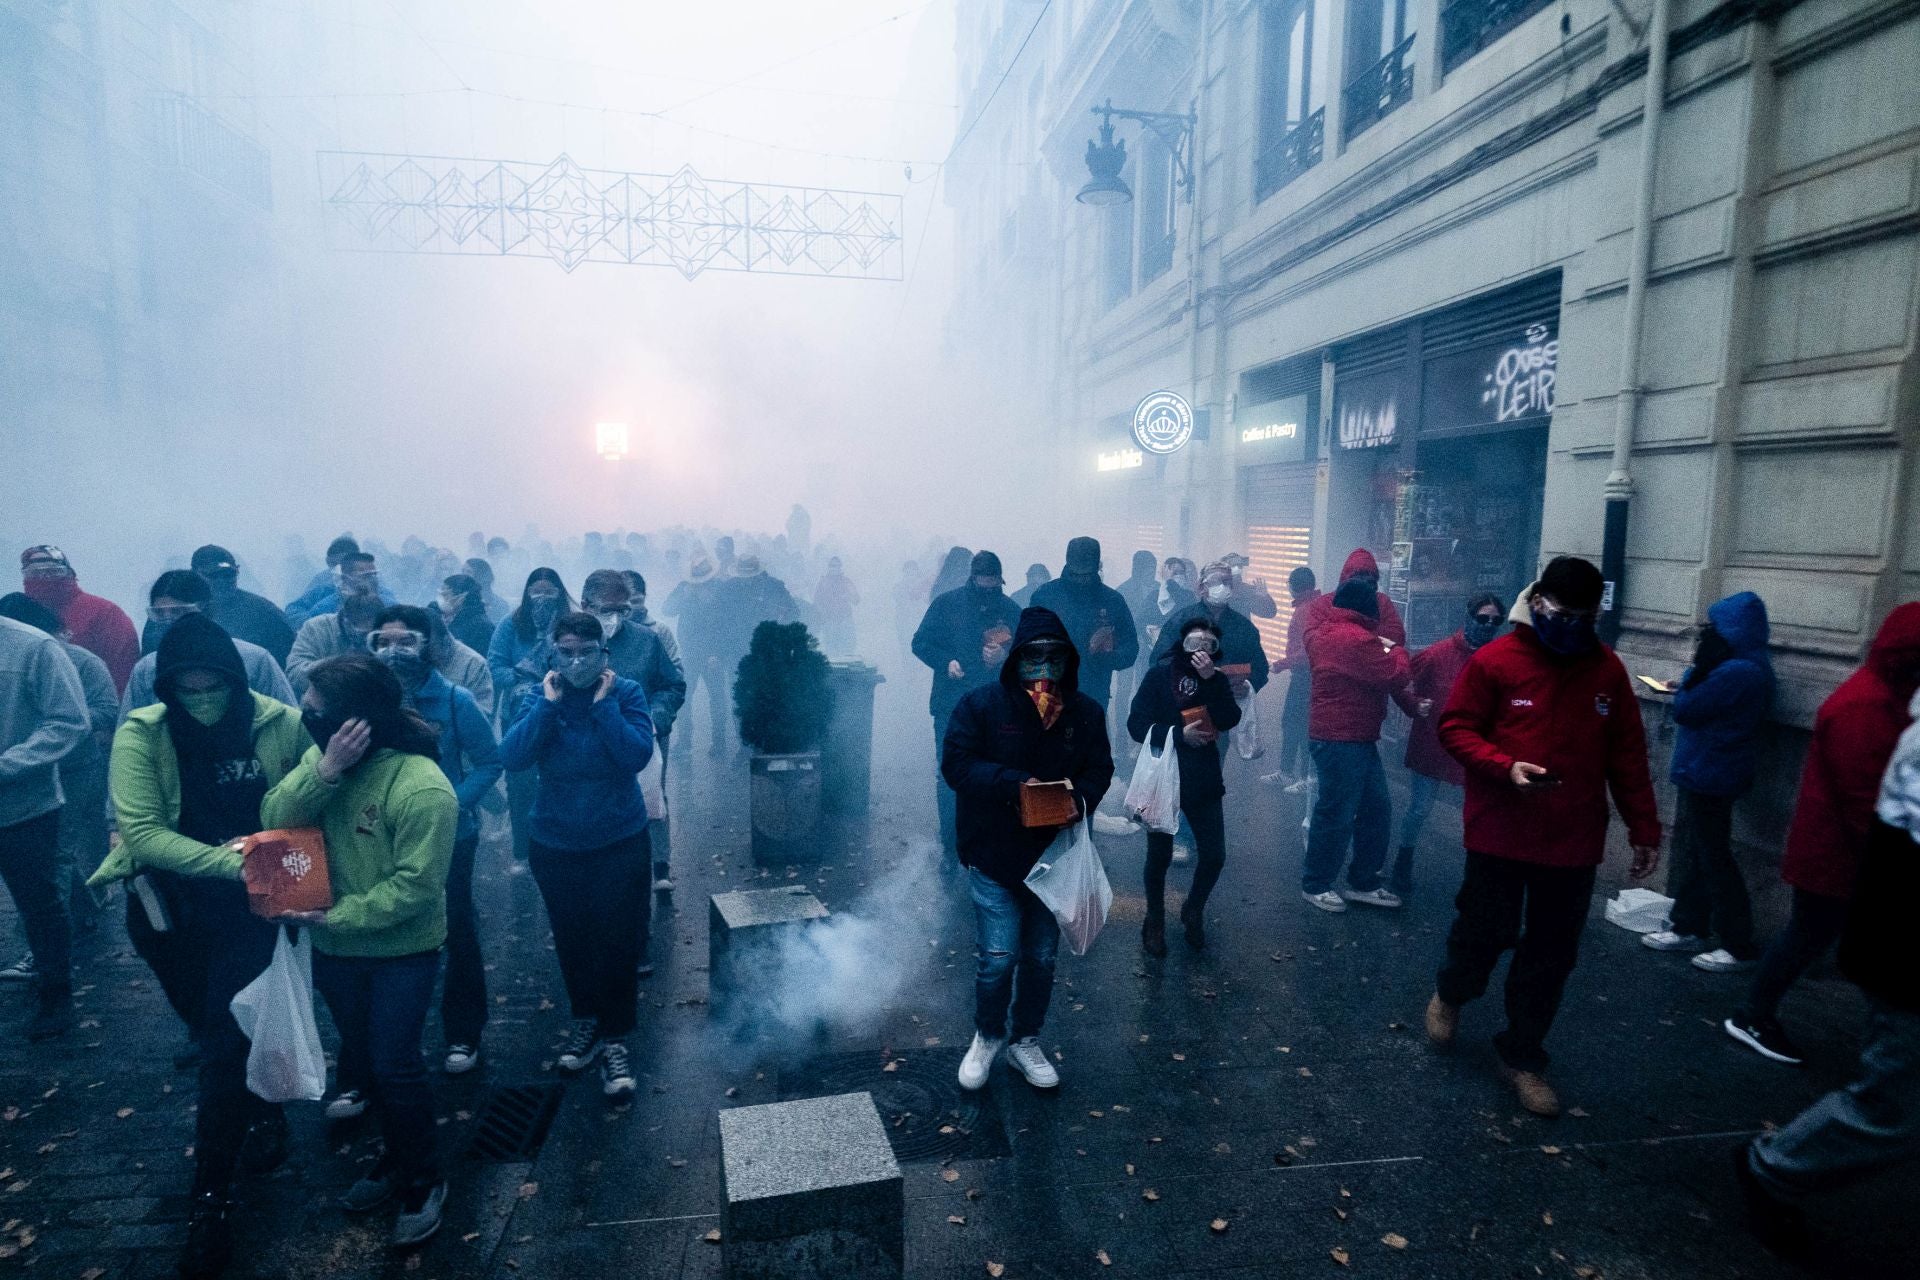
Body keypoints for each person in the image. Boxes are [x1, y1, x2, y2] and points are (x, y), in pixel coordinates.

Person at [92, 613, 308, 1276]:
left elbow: (304, 805)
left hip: (258, 905)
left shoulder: (277, 722)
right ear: (166, 685)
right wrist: (233, 862)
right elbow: (144, 831)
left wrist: (272, 877)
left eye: (212, 680)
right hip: (170, 911)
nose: (201, 693)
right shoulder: (143, 732)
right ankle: (263, 1107)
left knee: (222, 1042)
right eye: (186, 683)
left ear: (235, 678)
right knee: (209, 1026)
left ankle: (209, 1201)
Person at [1425, 557, 1662, 1118]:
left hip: (1572, 838)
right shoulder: (1496, 661)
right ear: (1536, 605)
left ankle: (1523, 1055)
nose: (1571, 626)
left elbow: (1627, 755)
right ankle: (1452, 993)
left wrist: (1644, 828)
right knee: (1484, 929)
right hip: (1500, 829)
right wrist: (1504, 766)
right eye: (1560, 614)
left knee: (1552, 953)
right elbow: (1455, 728)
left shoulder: (1607, 672)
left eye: (1584, 617)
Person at [264, 654, 457, 1247]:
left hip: (403, 949)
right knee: (370, 1060)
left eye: (318, 708)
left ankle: (424, 1177)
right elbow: (274, 821)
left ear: (355, 719)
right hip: (336, 947)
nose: (307, 715)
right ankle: (396, 1158)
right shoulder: (321, 760)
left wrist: (338, 916)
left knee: (396, 1060)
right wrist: (324, 771)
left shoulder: (422, 786)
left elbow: (417, 887)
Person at [1735, 688, 1920, 1259]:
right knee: (1895, 1102)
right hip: (1893, 932)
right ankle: (1775, 1165)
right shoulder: (1866, 706)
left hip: (1864, 895)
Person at [1725, 603, 1920, 1066]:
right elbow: (1861, 797)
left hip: (1840, 850)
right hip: (1836, 853)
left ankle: (1756, 1011)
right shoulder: (1866, 705)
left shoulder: (1882, 694)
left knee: (1813, 936)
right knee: (1809, 935)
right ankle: (1753, 1013)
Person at [943, 607, 1114, 1092]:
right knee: (998, 956)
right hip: (994, 854)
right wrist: (1015, 783)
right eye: (1033, 657)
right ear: (1016, 658)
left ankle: (1025, 1040)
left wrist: (1077, 801)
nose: (1043, 668)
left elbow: (1099, 770)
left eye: (1053, 658)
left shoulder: (1084, 713)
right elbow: (957, 766)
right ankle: (988, 1034)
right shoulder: (980, 706)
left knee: (1040, 956)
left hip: (1053, 856)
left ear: (1066, 661)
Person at [499, 613, 656, 1099]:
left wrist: (605, 707)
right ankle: (586, 1020)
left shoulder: (626, 692)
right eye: (565, 651)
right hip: (556, 840)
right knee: (573, 937)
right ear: (553, 653)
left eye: (585, 652)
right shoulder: (540, 695)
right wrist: (547, 707)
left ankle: (616, 1038)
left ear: (602, 654)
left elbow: (636, 756)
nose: (575, 661)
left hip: (619, 837)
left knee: (618, 939)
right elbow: (513, 755)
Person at [364, 608, 502, 1076]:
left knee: (456, 927)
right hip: (375, 836)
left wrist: (452, 805)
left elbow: (488, 762)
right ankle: (370, 1053)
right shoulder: (361, 702)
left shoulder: (455, 700)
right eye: (385, 641)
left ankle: (464, 1032)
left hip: (452, 837)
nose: (395, 652)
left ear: (428, 646)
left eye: (407, 642)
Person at [1641, 592, 1774, 973]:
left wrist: (1687, 679)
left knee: (1714, 857)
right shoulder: (1748, 665)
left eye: (1713, 629)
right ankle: (1690, 924)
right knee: (1704, 853)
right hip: (1715, 769)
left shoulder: (1737, 670)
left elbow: (1687, 708)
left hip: (1711, 772)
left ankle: (1737, 943)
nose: (1706, 636)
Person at [0, 596, 115, 957]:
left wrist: (16, 758)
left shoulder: (75, 660)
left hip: (73, 772)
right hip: (36, 775)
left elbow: (101, 711)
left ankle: (41, 962)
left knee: (55, 862)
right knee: (57, 861)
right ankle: (85, 909)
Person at [1128, 616, 1242, 955]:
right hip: (1164, 775)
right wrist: (1178, 735)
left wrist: (1211, 682)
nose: (1201, 651)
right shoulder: (1159, 676)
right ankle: (1155, 919)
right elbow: (1136, 724)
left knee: (1214, 854)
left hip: (1203, 777)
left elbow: (1229, 719)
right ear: (1181, 645)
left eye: (1209, 645)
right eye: (1195, 643)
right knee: (1159, 855)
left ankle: (1193, 908)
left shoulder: (1216, 680)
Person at [0, 611, 88, 1040]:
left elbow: (70, 720)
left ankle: (56, 995)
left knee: (38, 903)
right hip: (22, 799)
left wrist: (7, 765)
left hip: (24, 806)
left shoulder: (32, 647)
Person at [1300, 579, 1410, 913]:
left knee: (1373, 809)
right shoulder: (1359, 640)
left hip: (1351, 736)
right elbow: (1395, 675)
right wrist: (1397, 649)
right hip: (1343, 738)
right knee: (1338, 813)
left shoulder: (1326, 633)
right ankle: (1317, 883)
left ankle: (1363, 880)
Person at [1388, 595, 1504, 896]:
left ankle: (1476, 877)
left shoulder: (1498, 660)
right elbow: (1399, 682)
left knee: (1477, 814)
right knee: (1420, 809)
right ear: (1468, 617)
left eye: (1495, 621)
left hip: (1474, 751)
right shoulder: (1437, 654)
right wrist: (1413, 705)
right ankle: (1404, 859)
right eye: (1482, 618)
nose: (1488, 626)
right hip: (1433, 745)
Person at [581, 570, 685, 894]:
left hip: (645, 735)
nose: (614, 617)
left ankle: (659, 865)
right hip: (593, 738)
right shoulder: (572, 641)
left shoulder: (646, 639)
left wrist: (656, 718)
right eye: (605, 608)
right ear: (585, 605)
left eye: (621, 610)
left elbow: (672, 684)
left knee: (651, 798)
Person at [912, 552, 1022, 854]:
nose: (989, 588)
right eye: (983, 582)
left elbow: (1028, 654)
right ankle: (950, 838)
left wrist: (1004, 657)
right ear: (973, 577)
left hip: (996, 706)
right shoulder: (947, 604)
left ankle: (987, 834)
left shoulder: (1011, 610)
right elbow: (920, 642)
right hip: (951, 702)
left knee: (992, 769)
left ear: (1001, 579)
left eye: (994, 583)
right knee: (950, 771)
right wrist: (945, 662)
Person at [124, 572, 296, 716]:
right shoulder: (146, 669)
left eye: (179, 612)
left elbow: (288, 720)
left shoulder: (255, 660)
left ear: (207, 610)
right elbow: (129, 730)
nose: (168, 621)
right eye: (159, 614)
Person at [1031, 537, 1139, 719]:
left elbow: (1130, 648)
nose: (1082, 579)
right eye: (1077, 573)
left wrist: (1108, 658)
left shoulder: (1112, 600)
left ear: (1097, 567)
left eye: (1087, 574)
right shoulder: (1045, 597)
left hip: (1094, 694)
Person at [20, 544, 139, 694]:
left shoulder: (105, 613)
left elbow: (122, 671)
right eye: (34, 573)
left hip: (92, 705)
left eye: (53, 571)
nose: (44, 578)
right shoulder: (17, 614)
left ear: (70, 574)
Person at [710, 556, 799, 751]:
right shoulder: (727, 589)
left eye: (751, 575)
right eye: (744, 575)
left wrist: (780, 617)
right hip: (736, 653)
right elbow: (717, 623)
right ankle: (746, 746)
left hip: (768, 652)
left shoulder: (774, 587)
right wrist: (716, 652)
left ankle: (768, 741)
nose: (747, 580)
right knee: (740, 699)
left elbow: (793, 613)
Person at [663, 558, 727, 760]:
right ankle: (684, 741)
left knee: (717, 699)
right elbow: (667, 609)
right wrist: (683, 596)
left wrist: (718, 653)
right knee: (684, 698)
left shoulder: (720, 591)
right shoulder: (684, 588)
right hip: (689, 653)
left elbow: (726, 625)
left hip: (712, 655)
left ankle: (719, 742)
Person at [191, 545, 294, 666]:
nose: (222, 581)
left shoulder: (264, 611)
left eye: (228, 574)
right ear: (195, 575)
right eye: (213, 575)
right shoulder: (179, 611)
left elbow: (289, 658)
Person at [286, 571, 384, 696]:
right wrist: (342, 664)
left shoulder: (390, 631)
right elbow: (294, 674)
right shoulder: (317, 627)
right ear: (344, 617)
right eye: (356, 631)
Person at [1299, 548, 1407, 646]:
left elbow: (1397, 639)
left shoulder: (1382, 602)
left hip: (1367, 665)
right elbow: (1310, 641)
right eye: (1359, 577)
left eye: (1369, 579)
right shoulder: (1322, 604)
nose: (1363, 584)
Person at [1277, 566, 1322, 789]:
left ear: (1294, 586)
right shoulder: (1312, 606)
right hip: (1306, 675)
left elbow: (1306, 651)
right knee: (1293, 722)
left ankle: (1303, 777)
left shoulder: (1305, 610)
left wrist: (1281, 664)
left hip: (1305, 676)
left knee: (1298, 724)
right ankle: (1288, 772)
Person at [284, 544, 391, 629]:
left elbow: (398, 616)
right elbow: (295, 611)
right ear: (346, 576)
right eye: (364, 575)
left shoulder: (385, 598)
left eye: (372, 574)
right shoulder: (324, 596)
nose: (370, 579)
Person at [813, 556, 860, 657]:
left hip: (845, 620)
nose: (834, 568)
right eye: (832, 566)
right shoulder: (823, 582)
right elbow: (816, 601)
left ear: (840, 567)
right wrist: (823, 614)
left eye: (836, 566)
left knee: (847, 649)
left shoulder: (846, 582)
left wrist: (849, 596)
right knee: (831, 651)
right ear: (828, 567)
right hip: (830, 621)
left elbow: (856, 600)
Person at [438, 573, 495, 656]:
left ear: (461, 596)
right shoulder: (446, 618)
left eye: (445, 595)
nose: (441, 599)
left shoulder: (481, 626)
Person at [1219, 552, 1278, 619]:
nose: (1237, 568)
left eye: (1239, 566)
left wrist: (1264, 597)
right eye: (1233, 565)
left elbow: (1269, 613)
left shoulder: (1245, 590)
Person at [465, 557, 511, 625]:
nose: (463, 575)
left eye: (469, 572)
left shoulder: (499, 604)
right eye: (463, 571)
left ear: (480, 575)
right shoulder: (457, 601)